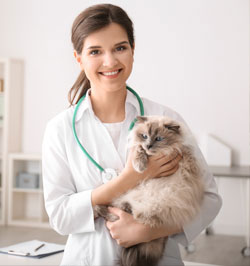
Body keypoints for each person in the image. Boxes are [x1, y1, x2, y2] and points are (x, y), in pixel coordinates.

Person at [42, 4, 222, 266]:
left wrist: (149, 230)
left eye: (120, 48)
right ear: (79, 58)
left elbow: (210, 199)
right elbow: (59, 216)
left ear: (133, 51)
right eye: (95, 51)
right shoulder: (60, 129)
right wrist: (130, 178)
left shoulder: (165, 119)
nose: (110, 61)